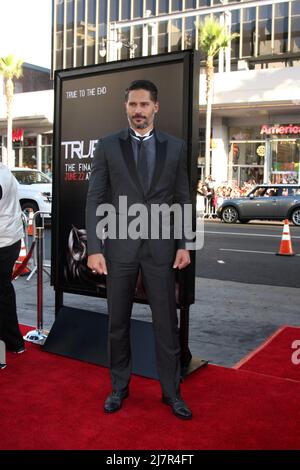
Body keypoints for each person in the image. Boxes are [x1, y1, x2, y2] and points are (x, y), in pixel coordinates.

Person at [86, 80, 193, 420]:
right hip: (119, 248)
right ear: (126, 107)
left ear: (155, 107)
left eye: (144, 105)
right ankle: (119, 387)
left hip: (162, 249)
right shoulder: (107, 146)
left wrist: (185, 243)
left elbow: (183, 198)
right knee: (117, 322)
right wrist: (93, 247)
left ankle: (171, 392)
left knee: (166, 324)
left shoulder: (175, 148)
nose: (138, 111)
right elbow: (95, 198)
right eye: (133, 105)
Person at [0, 164, 26, 370]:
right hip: (10, 240)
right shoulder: (4, 170)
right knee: (4, 293)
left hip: (2, 242)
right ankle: (14, 342)